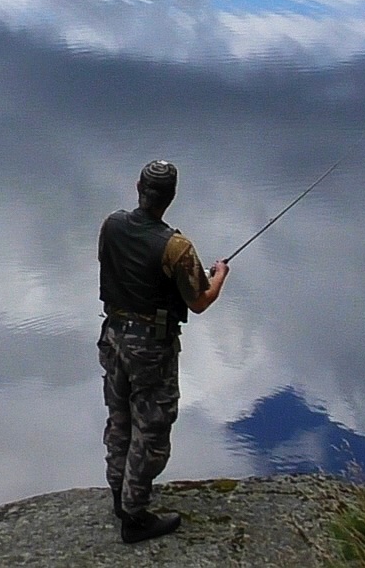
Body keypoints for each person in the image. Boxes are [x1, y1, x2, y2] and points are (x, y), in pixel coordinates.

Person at [96, 159, 230, 544]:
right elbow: (200, 300)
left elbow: (110, 263)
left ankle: (120, 494)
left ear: (139, 187)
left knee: (119, 418)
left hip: (113, 336)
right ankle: (135, 518)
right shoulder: (177, 247)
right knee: (151, 427)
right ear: (171, 196)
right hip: (151, 348)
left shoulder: (112, 224)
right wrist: (219, 275)